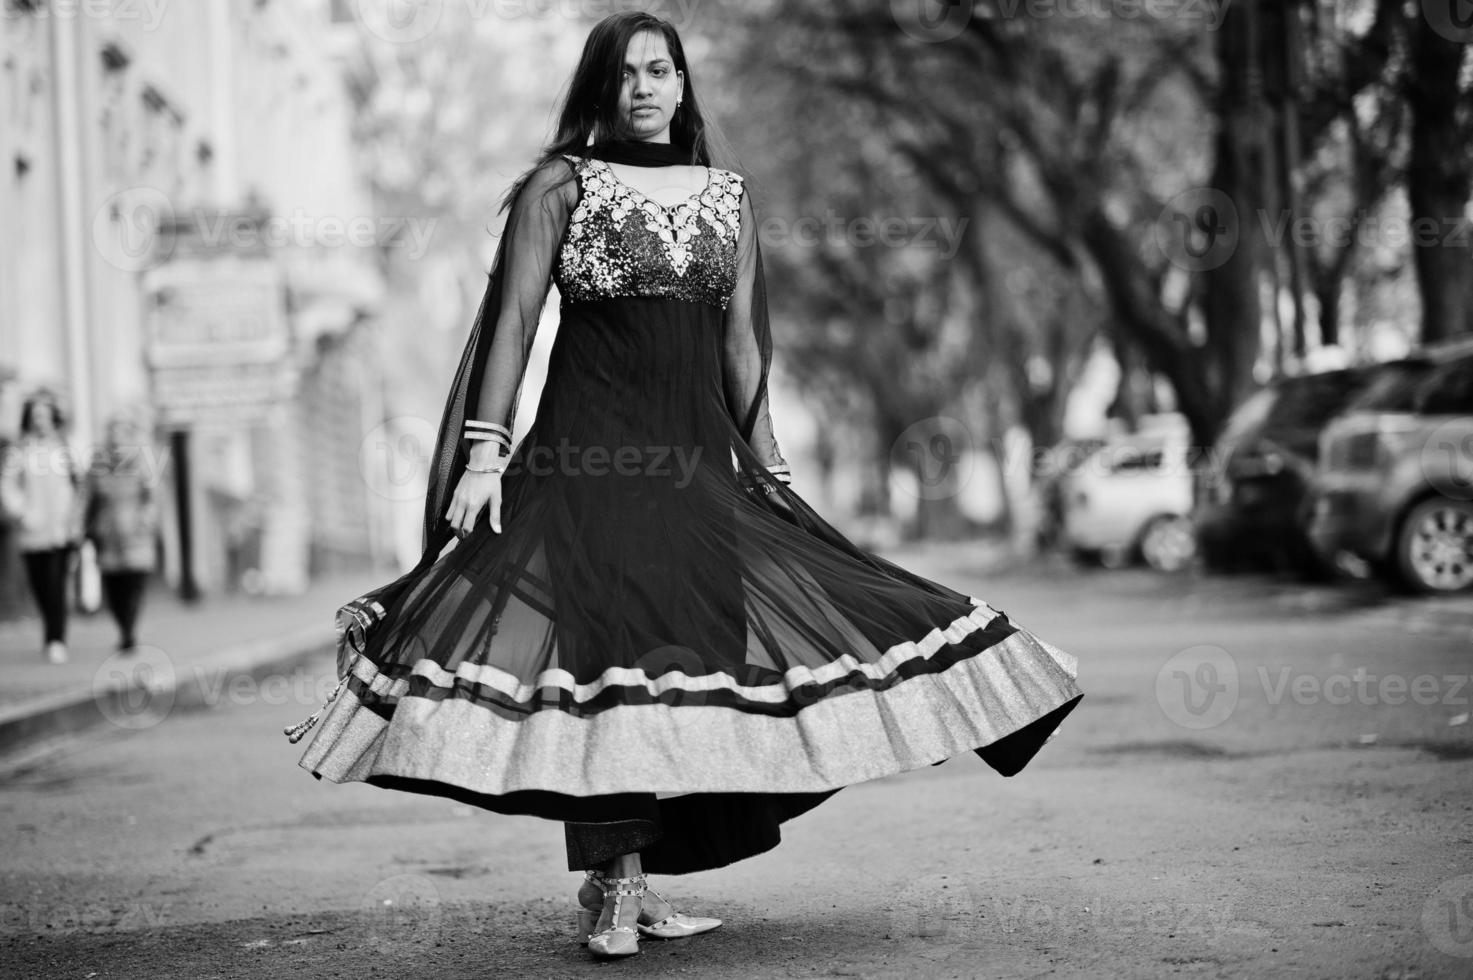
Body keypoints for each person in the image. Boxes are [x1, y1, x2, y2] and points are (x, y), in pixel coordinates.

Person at [286, 11, 1083, 962]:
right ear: (598, 90)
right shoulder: (560, 188)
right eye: (625, 75)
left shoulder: (728, 196)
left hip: (698, 475)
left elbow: (742, 346)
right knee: (605, 676)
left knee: (693, 666)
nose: (645, 89)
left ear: (681, 83)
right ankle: (617, 891)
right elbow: (511, 329)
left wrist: (771, 468)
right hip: (585, 470)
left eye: (660, 70)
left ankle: (632, 879)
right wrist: (487, 454)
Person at [0, 389, 86, 664]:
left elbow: (81, 486)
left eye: (44, 415)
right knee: (40, 585)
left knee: (56, 583)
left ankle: (56, 638)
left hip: (62, 530)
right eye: (35, 415)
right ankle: (51, 629)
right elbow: (7, 486)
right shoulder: (20, 450)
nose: (40, 421)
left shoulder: (67, 446)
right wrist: (22, 512)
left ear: (53, 418)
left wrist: (76, 518)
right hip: (32, 530)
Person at [83, 407, 159, 654]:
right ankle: (123, 626)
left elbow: (153, 496)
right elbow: (87, 497)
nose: (117, 435)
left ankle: (129, 630)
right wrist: (83, 525)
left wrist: (147, 520)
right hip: (107, 532)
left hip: (136, 530)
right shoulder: (98, 461)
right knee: (114, 585)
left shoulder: (142, 460)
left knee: (134, 582)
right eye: (113, 429)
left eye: (122, 430)